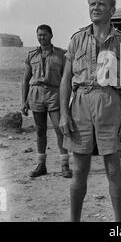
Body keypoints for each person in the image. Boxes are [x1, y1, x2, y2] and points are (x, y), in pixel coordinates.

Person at [59, 0, 121, 222]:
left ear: (112, 10)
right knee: (79, 170)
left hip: (109, 101)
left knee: (113, 169)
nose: (95, 8)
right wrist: (64, 113)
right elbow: (65, 80)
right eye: (92, 4)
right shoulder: (77, 39)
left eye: (101, 4)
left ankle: (119, 223)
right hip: (80, 101)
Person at [21, 24, 72, 178]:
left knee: (59, 129)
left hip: (54, 94)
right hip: (36, 94)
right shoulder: (32, 55)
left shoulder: (61, 55)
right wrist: (23, 101)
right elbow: (25, 80)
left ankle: (65, 165)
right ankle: (41, 164)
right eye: (39, 35)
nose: (41, 37)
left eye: (44, 34)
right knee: (40, 131)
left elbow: (66, 79)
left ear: (51, 35)